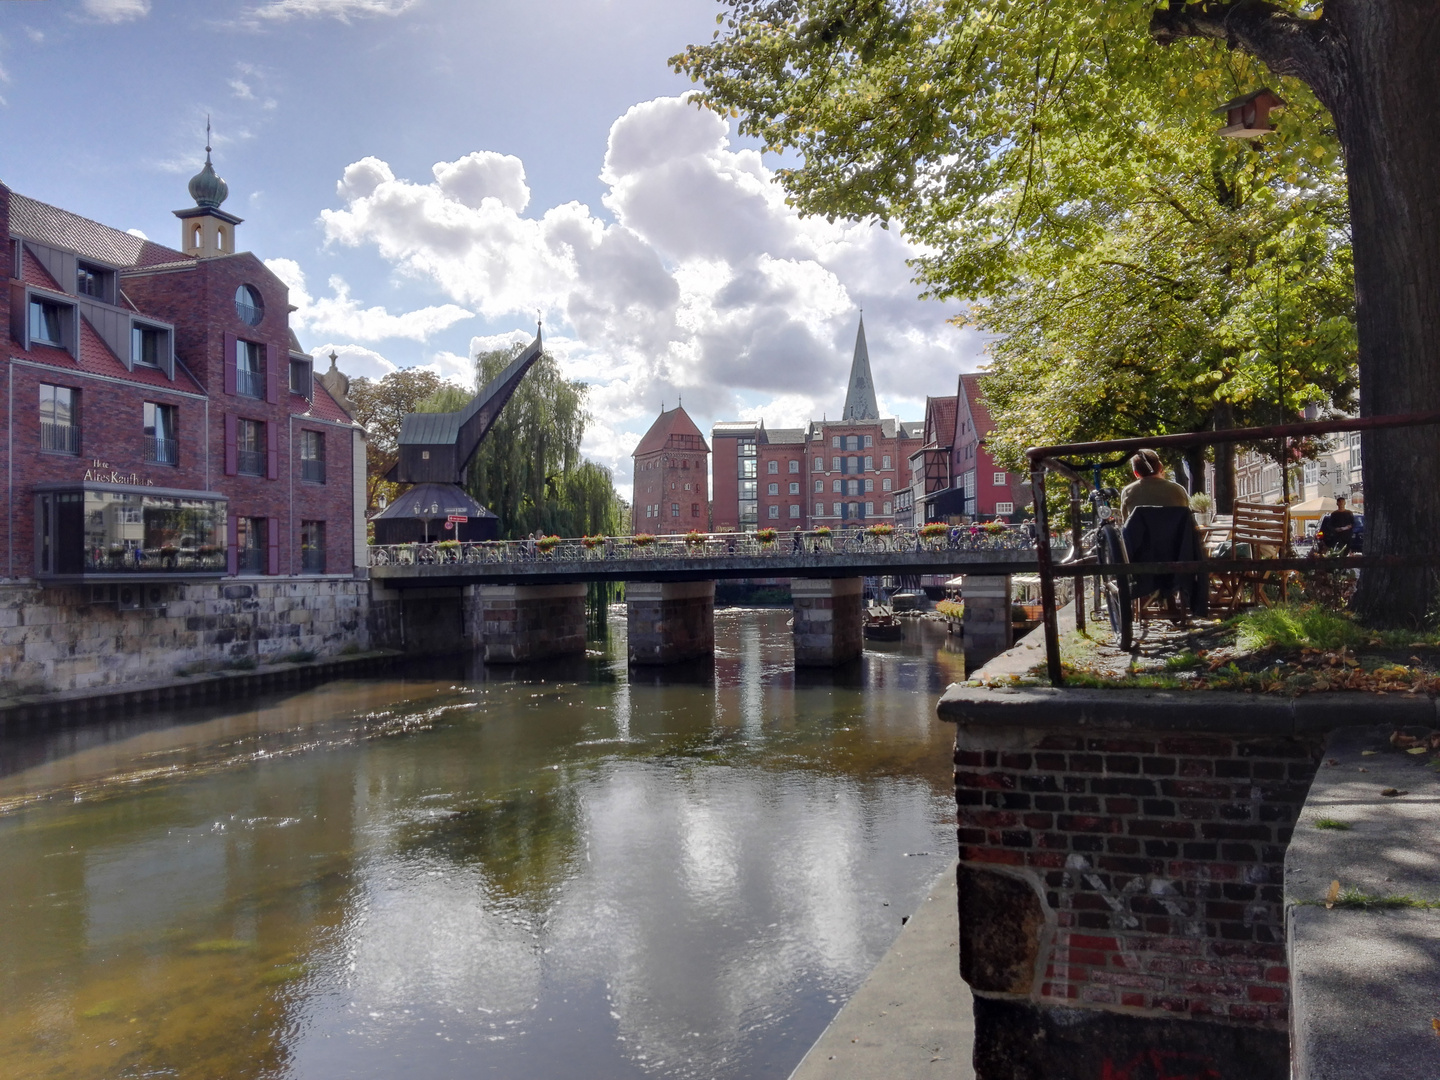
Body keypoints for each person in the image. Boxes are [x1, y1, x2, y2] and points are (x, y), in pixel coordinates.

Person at [1118, 448, 1191, 523]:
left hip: (1141, 534)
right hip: (1175, 534)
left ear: (1136, 473)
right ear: (1160, 467)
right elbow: (1187, 518)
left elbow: (1126, 523)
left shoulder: (1128, 492)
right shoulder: (1178, 490)